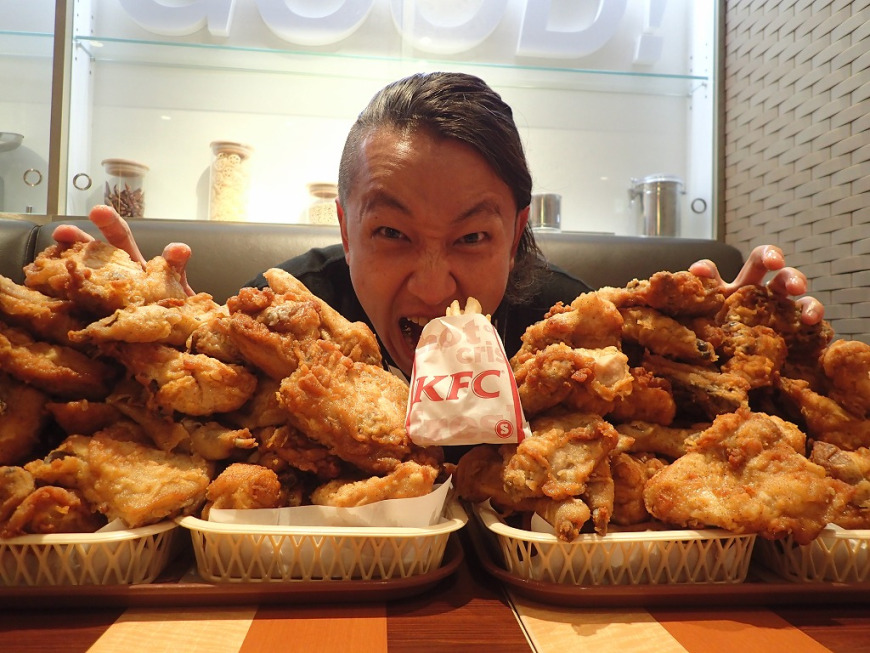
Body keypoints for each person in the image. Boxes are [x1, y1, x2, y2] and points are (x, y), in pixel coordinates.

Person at [54, 71, 823, 379]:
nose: (431, 283)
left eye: (471, 237)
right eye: (390, 233)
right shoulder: (282, 322)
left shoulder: (571, 334)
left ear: (517, 230)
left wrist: (738, 366)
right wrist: (146, 342)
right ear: (346, 229)